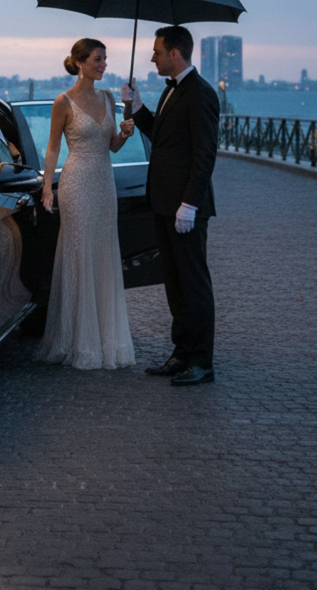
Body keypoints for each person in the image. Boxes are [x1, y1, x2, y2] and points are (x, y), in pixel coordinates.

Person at [122, 25, 219, 386]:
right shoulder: (170, 91)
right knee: (174, 283)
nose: (152, 57)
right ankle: (181, 353)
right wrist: (138, 105)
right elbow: (161, 136)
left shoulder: (201, 93)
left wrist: (190, 204)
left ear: (175, 52)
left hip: (185, 207)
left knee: (193, 283)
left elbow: (205, 154)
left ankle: (201, 362)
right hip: (163, 203)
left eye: (157, 51)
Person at [38, 38, 136, 369]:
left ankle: (105, 339)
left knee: (103, 254)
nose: (104, 64)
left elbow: (113, 147)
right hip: (76, 183)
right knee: (79, 255)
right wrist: (47, 187)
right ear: (80, 63)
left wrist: (124, 133)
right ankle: (77, 340)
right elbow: (52, 148)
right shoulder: (62, 102)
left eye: (105, 59)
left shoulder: (110, 98)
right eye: (98, 59)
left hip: (103, 183)